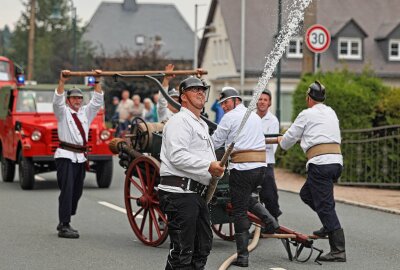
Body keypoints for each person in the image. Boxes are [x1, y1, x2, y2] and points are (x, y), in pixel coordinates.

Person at [158, 76, 225, 269]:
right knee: (183, 251)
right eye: (195, 89)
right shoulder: (179, 121)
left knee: (202, 247)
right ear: (183, 97)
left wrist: (215, 170)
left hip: (195, 194)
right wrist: (208, 166)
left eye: (203, 90)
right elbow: (177, 156)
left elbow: (203, 155)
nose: (200, 92)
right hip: (179, 194)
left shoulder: (201, 124)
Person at [211, 86, 279, 267]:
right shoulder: (254, 116)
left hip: (242, 169)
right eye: (222, 104)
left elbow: (215, 142)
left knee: (239, 211)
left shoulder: (229, 117)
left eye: (225, 102)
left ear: (236, 101)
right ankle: (269, 219)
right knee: (247, 196)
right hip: (260, 169)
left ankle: (243, 256)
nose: (223, 106)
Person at [278, 81, 346, 262]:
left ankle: (338, 250)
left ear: (309, 98)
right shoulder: (331, 112)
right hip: (335, 162)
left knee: (325, 205)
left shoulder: (306, 114)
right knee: (306, 194)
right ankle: (328, 223)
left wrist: (281, 140)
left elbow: (286, 142)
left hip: (320, 164)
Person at [53, 69, 104, 239]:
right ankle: (64, 224)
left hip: (80, 157)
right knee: (67, 190)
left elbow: (97, 101)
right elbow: (57, 101)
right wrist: (62, 81)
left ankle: (66, 217)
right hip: (65, 155)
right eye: (74, 98)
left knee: (77, 191)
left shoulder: (85, 113)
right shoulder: (63, 112)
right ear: (68, 100)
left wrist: (97, 80)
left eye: (80, 98)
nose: (77, 101)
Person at [256, 89, 282, 221]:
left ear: (270, 103)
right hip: (251, 162)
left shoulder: (273, 120)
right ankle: (256, 222)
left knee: (269, 193)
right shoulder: (250, 118)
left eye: (265, 100)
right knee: (252, 195)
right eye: (260, 99)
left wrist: (255, 142)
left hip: (267, 162)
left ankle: (274, 219)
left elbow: (273, 146)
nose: (262, 102)